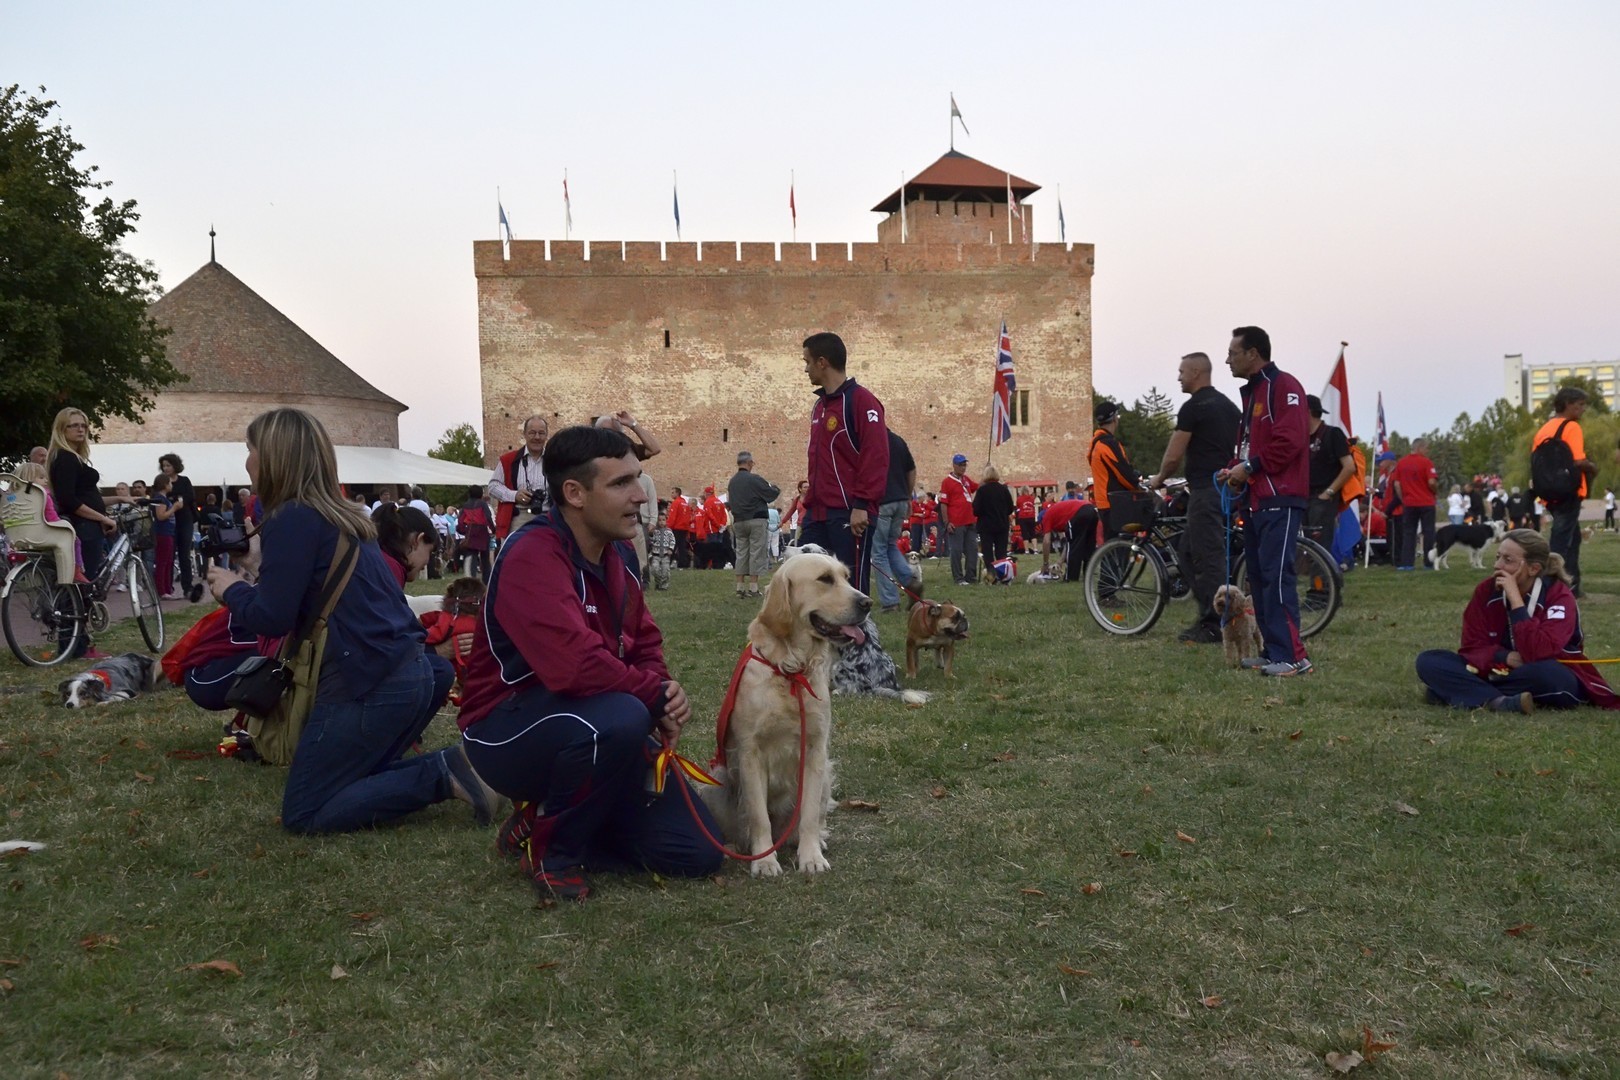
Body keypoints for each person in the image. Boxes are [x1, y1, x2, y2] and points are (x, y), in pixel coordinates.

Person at [458, 425, 723, 903]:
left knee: (696, 853)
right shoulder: (532, 554)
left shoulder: (618, 554)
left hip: (595, 719)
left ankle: (546, 818)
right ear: (574, 494)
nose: (640, 495)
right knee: (623, 717)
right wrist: (651, 695)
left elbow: (643, 642)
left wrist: (663, 688)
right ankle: (554, 855)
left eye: (637, 479)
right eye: (621, 483)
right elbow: (573, 667)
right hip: (505, 729)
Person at [207, 407, 498, 835]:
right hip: (411, 674)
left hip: (368, 683)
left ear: (273, 457)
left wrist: (231, 588)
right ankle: (450, 768)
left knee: (304, 813)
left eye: (250, 450)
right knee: (351, 780)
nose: (247, 461)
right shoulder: (343, 517)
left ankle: (444, 773)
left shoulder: (292, 517)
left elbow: (272, 617)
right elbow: (316, 593)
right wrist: (257, 568)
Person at [1416, 529, 1618, 713]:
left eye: (1508, 560)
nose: (1497, 565)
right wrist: (1504, 656)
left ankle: (1460, 692)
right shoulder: (1486, 590)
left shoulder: (1559, 596)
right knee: (1429, 660)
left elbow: (1540, 651)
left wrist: (1516, 602)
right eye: (1497, 557)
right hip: (1496, 669)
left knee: (1553, 677)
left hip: (1542, 670)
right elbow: (1471, 646)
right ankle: (1498, 701)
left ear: (1533, 569)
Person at [1218, 325, 1312, 677]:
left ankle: (1294, 658)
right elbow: (1251, 447)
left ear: (1252, 354)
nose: (1227, 360)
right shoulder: (1254, 393)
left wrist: (1249, 467)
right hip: (1255, 499)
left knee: (1276, 577)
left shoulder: (1283, 386)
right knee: (1257, 578)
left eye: (1232, 353)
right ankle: (1273, 650)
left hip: (1279, 498)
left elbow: (1290, 441)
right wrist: (1233, 468)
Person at [1146, 352, 1242, 644]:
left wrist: (1159, 479)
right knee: (1187, 551)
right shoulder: (1229, 406)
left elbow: (1174, 455)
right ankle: (1211, 611)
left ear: (1197, 372)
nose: (1178, 377)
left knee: (1207, 556)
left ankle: (1216, 623)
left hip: (1206, 489)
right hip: (1227, 487)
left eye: (1182, 372)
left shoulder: (1193, 407)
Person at [801, 331, 889, 593]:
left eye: (807, 362)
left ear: (822, 362)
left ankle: (861, 624)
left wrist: (861, 504)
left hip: (849, 512)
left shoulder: (861, 401)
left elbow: (876, 456)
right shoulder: (820, 406)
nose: (805, 369)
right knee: (807, 583)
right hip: (817, 512)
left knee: (850, 590)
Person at [47, 409, 118, 658]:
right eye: (73, 425)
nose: (80, 429)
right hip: (84, 528)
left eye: (84, 426)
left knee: (77, 586)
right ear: (61, 430)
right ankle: (75, 646)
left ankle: (75, 645)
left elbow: (82, 495)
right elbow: (69, 500)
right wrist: (102, 518)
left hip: (86, 526)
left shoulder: (69, 457)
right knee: (80, 587)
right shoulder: (66, 458)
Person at [1533, 388, 1597, 596]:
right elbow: (1578, 461)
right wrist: (1592, 467)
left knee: (1573, 537)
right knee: (1561, 540)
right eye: (1580, 404)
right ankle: (1550, 586)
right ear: (1568, 404)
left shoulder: (1544, 428)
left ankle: (1573, 585)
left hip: (1548, 490)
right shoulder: (1571, 427)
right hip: (1568, 490)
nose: (1583, 409)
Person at [593, 412, 661, 568]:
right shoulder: (588, 453)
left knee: (635, 565)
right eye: (604, 432)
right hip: (600, 518)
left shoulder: (626, 451)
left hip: (628, 517)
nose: (608, 438)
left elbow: (654, 448)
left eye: (613, 433)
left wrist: (633, 424)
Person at [871, 430, 919, 612]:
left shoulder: (869, 439)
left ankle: (890, 601)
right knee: (890, 545)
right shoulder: (898, 440)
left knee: (879, 553)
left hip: (881, 502)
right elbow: (911, 469)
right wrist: (908, 496)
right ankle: (910, 581)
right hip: (900, 499)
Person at [1304, 395, 1355, 550]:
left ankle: (1322, 569)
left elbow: (1349, 466)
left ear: (1307, 411)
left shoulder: (1332, 433)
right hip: (1304, 497)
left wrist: (1329, 492)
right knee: (1305, 545)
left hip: (1322, 497)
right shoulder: (1302, 437)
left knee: (1319, 545)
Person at [725, 450, 779, 598]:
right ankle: (753, 588)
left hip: (739, 521)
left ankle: (740, 587)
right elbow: (771, 494)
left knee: (741, 553)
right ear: (749, 463)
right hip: (756, 519)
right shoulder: (754, 479)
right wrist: (774, 487)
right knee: (756, 552)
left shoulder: (732, 482)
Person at [490, 415, 550, 542]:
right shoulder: (509, 460)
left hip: (548, 518)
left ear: (546, 435)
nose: (537, 437)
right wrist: (514, 495)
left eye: (541, 433)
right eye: (532, 433)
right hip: (518, 518)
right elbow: (493, 486)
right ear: (524, 434)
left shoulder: (555, 460)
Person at [1089, 400, 1143, 536]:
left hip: (1104, 501)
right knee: (1122, 544)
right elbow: (1123, 472)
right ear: (1114, 418)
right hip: (1115, 502)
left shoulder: (1095, 443)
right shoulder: (1107, 443)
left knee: (1113, 544)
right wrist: (1137, 485)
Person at [158, 453, 203, 602]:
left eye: (168, 465)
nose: (166, 468)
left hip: (185, 520)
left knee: (184, 554)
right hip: (169, 521)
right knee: (169, 556)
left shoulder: (184, 480)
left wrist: (176, 500)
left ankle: (187, 587)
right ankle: (167, 587)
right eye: (164, 466)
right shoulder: (162, 481)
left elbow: (190, 497)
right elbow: (160, 497)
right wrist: (176, 501)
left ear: (175, 466)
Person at [1392, 439, 1438, 570]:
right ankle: (1428, 563)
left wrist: (1403, 499)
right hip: (1426, 502)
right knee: (1428, 533)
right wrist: (1435, 492)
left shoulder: (1401, 463)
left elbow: (1397, 484)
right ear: (1420, 447)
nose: (1427, 451)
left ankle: (1407, 563)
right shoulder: (1426, 462)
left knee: (1409, 533)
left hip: (1409, 503)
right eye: (1426, 448)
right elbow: (1432, 482)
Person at [938, 454, 979, 585]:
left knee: (972, 549)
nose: (963, 468)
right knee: (956, 551)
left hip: (970, 520)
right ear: (954, 465)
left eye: (964, 465)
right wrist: (947, 522)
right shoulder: (947, 482)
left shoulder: (966, 479)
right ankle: (958, 578)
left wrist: (986, 475)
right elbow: (943, 504)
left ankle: (971, 576)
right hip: (956, 522)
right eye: (961, 465)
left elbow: (977, 486)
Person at [972, 465, 1015, 576]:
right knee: (1001, 552)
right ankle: (1002, 574)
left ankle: (991, 574)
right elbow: (1010, 508)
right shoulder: (1004, 489)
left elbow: (976, 510)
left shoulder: (982, 490)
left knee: (987, 552)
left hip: (986, 526)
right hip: (1002, 524)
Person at [148, 474, 184, 599]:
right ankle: (162, 590)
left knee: (168, 561)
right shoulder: (160, 499)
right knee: (163, 562)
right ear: (164, 484)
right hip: (163, 533)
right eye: (170, 483)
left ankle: (167, 589)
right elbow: (161, 516)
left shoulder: (163, 499)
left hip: (168, 532)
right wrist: (174, 508)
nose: (171, 485)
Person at [457, 486, 494, 581]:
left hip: (470, 531)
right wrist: (493, 529)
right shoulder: (482, 504)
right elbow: (488, 517)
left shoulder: (465, 505)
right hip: (482, 531)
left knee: (471, 557)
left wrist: (462, 530)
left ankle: (471, 579)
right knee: (485, 559)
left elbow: (460, 521)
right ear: (481, 494)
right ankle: (486, 580)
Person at [666, 486, 693, 568]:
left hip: (677, 528)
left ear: (677, 493)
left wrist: (668, 526)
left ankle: (667, 563)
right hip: (684, 528)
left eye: (673, 492)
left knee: (672, 546)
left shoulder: (676, 503)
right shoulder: (685, 503)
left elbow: (672, 516)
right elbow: (689, 516)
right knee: (682, 547)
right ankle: (683, 564)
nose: (671, 494)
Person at [648, 510, 676, 590]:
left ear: (666, 521)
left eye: (663, 520)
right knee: (654, 569)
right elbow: (651, 540)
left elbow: (672, 540)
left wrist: (671, 549)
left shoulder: (669, 531)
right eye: (659, 520)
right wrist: (651, 533)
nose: (661, 522)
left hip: (666, 555)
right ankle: (658, 582)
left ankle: (664, 586)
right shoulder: (655, 531)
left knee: (665, 571)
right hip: (655, 555)